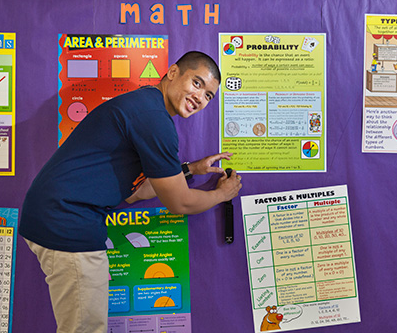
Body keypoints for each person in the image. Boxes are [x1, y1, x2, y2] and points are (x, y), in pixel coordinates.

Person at [19, 51, 242, 333]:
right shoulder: (153, 118)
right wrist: (223, 194)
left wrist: (190, 170)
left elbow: (141, 191)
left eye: (209, 95)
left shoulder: (146, 106)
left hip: (56, 217)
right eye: (197, 83)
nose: (200, 97)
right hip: (67, 223)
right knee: (85, 329)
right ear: (173, 72)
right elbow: (179, 202)